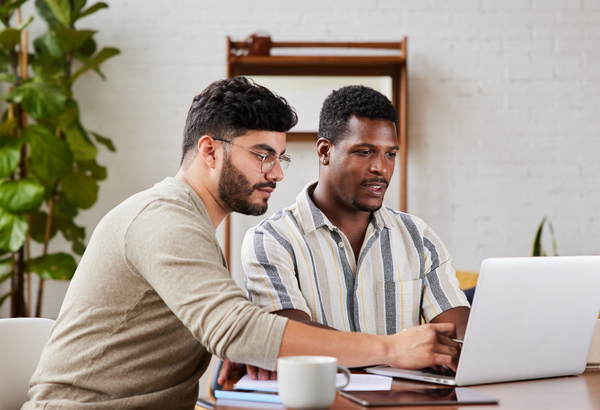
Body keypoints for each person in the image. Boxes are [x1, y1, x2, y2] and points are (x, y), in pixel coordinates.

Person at [23, 77, 461, 410]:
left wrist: (239, 353)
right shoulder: (162, 218)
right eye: (262, 155)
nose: (277, 173)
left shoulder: (189, 223)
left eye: (280, 156)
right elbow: (234, 328)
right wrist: (393, 348)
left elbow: (220, 330)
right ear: (210, 151)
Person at [242, 85, 470, 340]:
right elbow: (290, 337)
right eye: (365, 152)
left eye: (390, 154)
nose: (381, 168)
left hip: (407, 383)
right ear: (325, 151)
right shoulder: (272, 240)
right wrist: (397, 350)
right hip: (322, 382)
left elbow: (458, 326)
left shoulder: (419, 238)